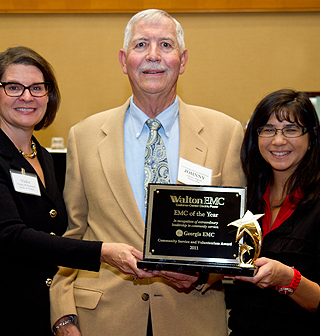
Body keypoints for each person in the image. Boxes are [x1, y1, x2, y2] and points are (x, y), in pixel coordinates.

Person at [49, 9, 245, 336]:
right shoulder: (83, 136)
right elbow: (73, 234)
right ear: (124, 60)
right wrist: (62, 313)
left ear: (182, 61)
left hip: (192, 316)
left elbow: (233, 240)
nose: (153, 55)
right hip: (102, 318)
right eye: (141, 44)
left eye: (165, 44)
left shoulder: (225, 133)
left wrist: (201, 276)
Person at [0, 46, 151, 336]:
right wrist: (103, 251)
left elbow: (58, 229)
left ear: (48, 96)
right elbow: (11, 237)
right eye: (13, 87)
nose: (27, 97)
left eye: (37, 88)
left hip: (37, 315)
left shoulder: (43, 156)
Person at [227, 89, 320, 336]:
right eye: (268, 129)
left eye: (291, 129)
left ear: (311, 138)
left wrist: (287, 278)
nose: (278, 140)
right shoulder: (247, 204)